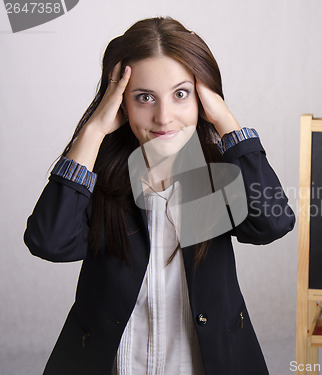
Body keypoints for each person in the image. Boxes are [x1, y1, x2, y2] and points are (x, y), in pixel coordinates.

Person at [24, 16, 295, 375]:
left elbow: (273, 222)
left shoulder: (218, 174)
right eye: (144, 97)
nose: (164, 116)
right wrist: (92, 131)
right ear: (120, 103)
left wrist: (227, 121)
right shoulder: (97, 179)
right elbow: (49, 242)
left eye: (181, 94)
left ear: (202, 98)